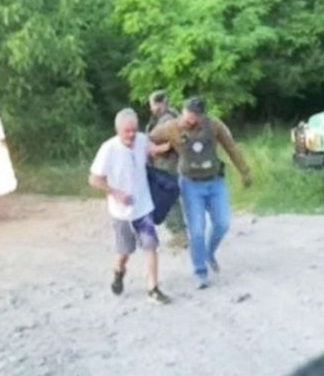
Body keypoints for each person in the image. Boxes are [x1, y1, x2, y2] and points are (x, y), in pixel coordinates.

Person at [148, 97, 251, 289]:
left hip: (214, 182)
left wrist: (244, 171)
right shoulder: (171, 127)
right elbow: (149, 138)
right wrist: (163, 148)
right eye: (188, 114)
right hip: (190, 184)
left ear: (201, 115)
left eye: (195, 116)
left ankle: (209, 253)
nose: (190, 119)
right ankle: (200, 272)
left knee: (222, 223)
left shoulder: (214, 125)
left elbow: (231, 147)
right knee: (196, 230)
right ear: (183, 111)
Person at [89, 108, 172, 304]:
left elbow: (151, 148)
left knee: (150, 245)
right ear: (117, 130)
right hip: (121, 212)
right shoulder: (108, 149)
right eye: (127, 131)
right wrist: (116, 193)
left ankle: (153, 288)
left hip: (143, 207)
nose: (131, 134)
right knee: (124, 252)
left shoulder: (141, 139)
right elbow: (93, 179)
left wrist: (168, 146)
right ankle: (119, 271)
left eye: (134, 129)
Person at [145, 90, 187, 247]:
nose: (151, 109)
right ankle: (180, 232)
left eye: (153, 105)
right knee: (170, 198)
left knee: (167, 199)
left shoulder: (168, 119)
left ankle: (179, 234)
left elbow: (172, 143)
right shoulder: (168, 117)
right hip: (163, 163)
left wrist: (154, 150)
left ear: (161, 103)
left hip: (167, 164)